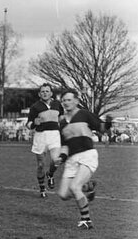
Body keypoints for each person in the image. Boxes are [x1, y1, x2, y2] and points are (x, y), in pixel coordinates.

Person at [55, 89, 100, 229]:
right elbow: (65, 145)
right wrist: (61, 157)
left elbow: (100, 126)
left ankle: (86, 220)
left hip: (87, 155)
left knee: (74, 187)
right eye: (64, 100)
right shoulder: (62, 122)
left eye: (69, 100)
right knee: (63, 194)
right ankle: (87, 187)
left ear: (76, 101)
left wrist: (107, 125)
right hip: (72, 159)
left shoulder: (84, 114)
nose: (66, 102)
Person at [26, 83, 63, 198]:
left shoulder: (57, 104)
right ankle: (42, 188)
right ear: (39, 94)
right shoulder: (35, 107)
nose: (45, 93)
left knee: (56, 160)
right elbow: (28, 124)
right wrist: (34, 123)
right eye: (42, 91)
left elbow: (61, 117)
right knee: (41, 164)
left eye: (47, 91)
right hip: (41, 136)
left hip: (54, 135)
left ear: (51, 93)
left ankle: (50, 174)